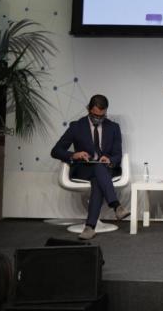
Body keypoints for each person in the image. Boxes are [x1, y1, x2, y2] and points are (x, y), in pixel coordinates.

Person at [50, 94, 129, 240]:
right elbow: (56, 151)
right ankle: (116, 205)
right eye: (94, 115)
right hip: (83, 169)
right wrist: (75, 155)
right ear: (88, 109)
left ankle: (90, 227)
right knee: (97, 172)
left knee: (98, 174)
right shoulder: (76, 126)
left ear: (106, 112)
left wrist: (109, 159)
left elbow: (118, 154)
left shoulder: (113, 128)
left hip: (106, 169)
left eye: (102, 116)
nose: (98, 118)